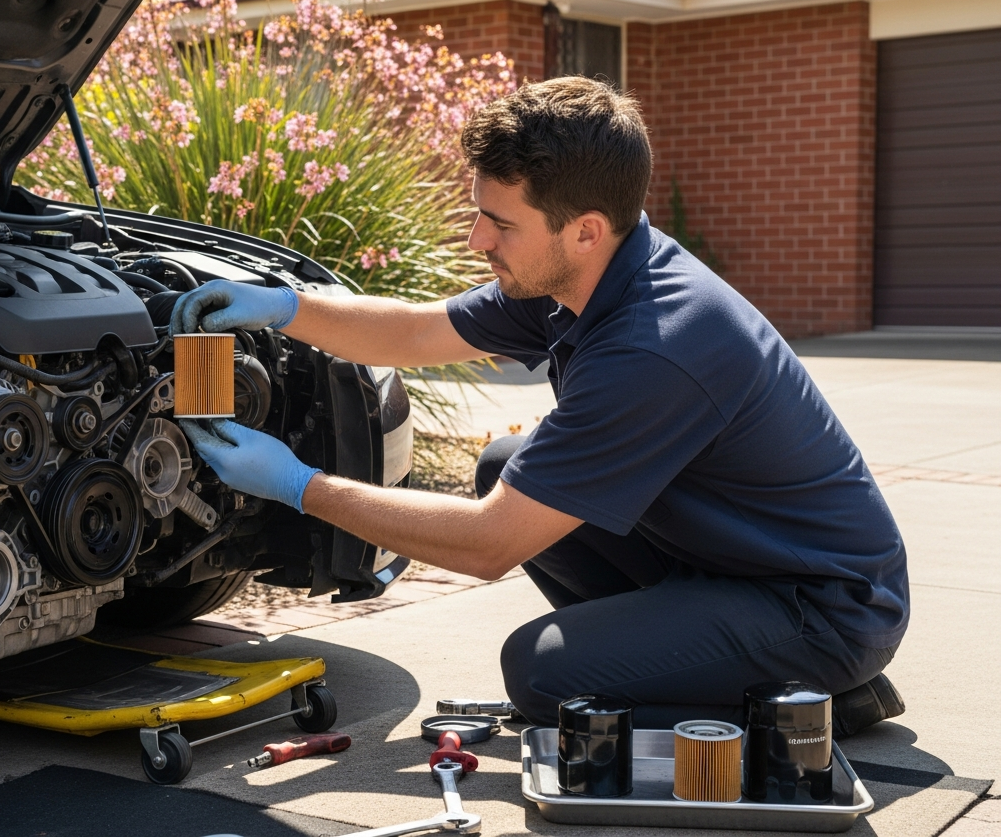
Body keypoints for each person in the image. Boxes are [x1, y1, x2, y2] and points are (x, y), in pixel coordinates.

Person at [172, 76, 908, 734]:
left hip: (819, 609)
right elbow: (423, 330)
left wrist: (299, 485)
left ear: (584, 229)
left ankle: (811, 698)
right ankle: (687, 660)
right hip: (726, 563)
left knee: (543, 675)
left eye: (501, 224)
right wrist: (282, 307)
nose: (475, 239)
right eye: (479, 213)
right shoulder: (582, 274)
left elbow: (490, 546)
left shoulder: (652, 347)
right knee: (506, 464)